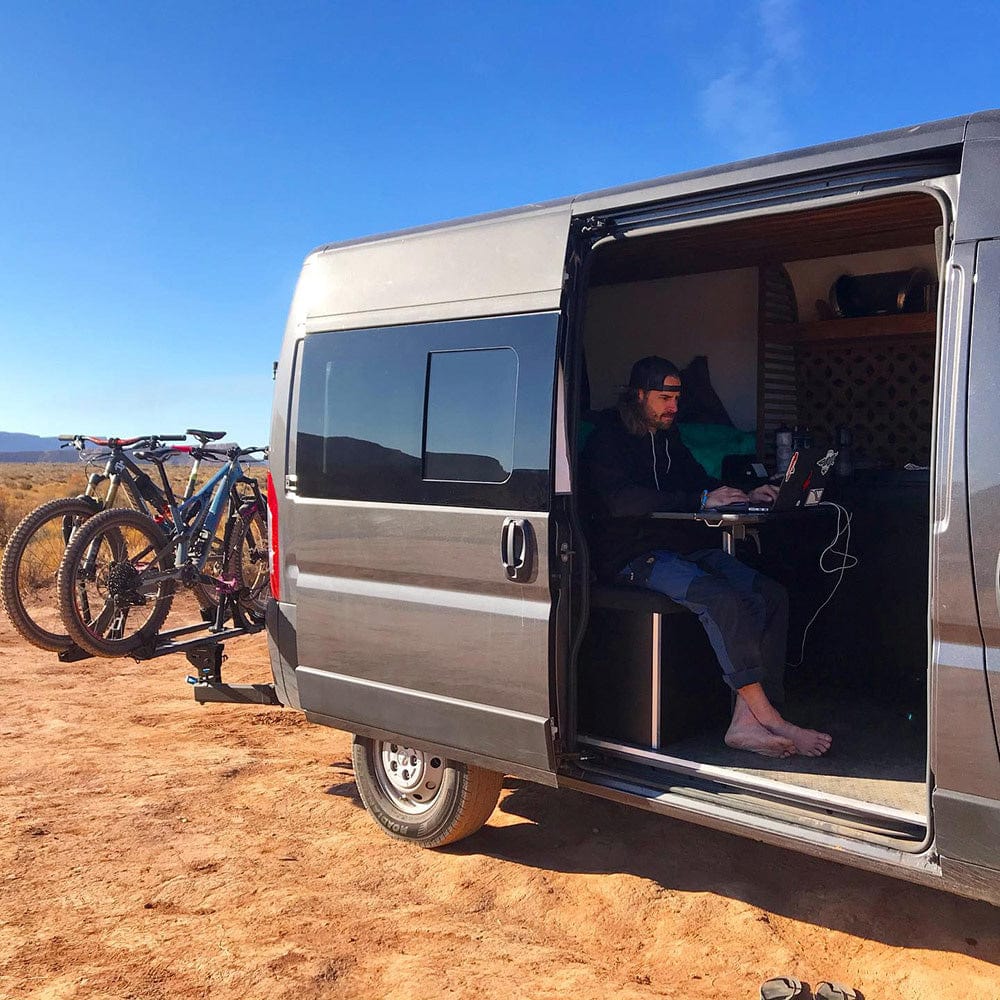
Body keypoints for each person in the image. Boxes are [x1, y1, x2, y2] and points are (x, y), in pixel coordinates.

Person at [582, 355, 831, 758]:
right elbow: (622, 500)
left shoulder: (669, 438)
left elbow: (701, 481)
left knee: (770, 595)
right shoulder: (607, 440)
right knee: (721, 598)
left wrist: (743, 493)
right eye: (664, 398)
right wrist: (698, 499)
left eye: (677, 398)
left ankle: (745, 721)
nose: (673, 407)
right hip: (631, 556)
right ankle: (768, 717)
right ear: (639, 395)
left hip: (682, 549)